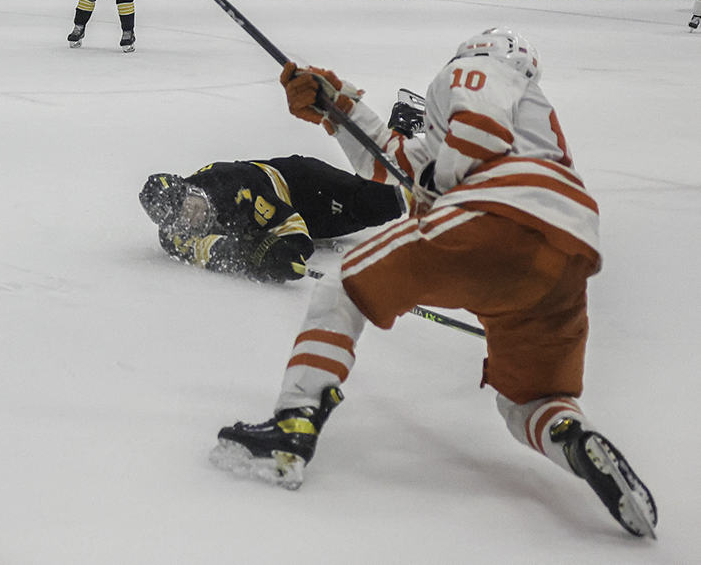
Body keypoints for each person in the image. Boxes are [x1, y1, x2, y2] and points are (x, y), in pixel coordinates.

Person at [211, 31, 658, 541]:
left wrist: (448, 193)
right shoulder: (532, 128)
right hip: (562, 256)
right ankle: (573, 436)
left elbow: (478, 135)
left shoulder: (481, 71)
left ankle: (294, 422)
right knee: (529, 401)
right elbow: (397, 165)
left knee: (346, 288)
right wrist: (337, 108)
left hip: (494, 218)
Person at [140, 153, 411, 283]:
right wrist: (249, 254)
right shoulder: (173, 236)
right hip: (290, 210)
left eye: (189, 203)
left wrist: (285, 252)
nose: (192, 214)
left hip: (298, 182)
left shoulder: (235, 189)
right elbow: (209, 252)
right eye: (182, 217)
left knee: (371, 204)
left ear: (191, 189)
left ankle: (426, 174)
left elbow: (291, 228)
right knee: (367, 208)